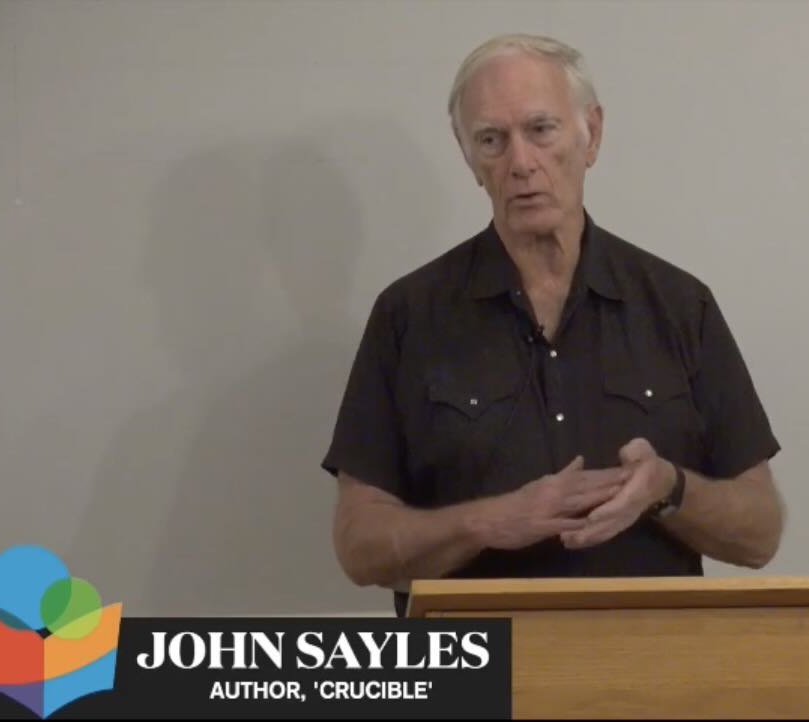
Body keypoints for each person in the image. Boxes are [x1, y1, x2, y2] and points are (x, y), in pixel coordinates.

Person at [321, 34, 784, 617]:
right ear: (469, 158)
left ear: (591, 134)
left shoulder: (679, 305)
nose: (520, 163)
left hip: (651, 680)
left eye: (541, 130)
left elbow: (761, 531)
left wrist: (669, 489)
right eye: (492, 139)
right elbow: (359, 545)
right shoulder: (407, 316)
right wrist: (490, 521)